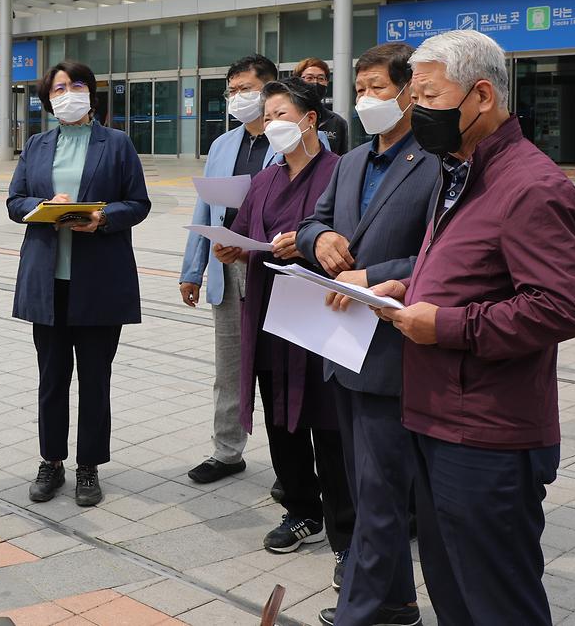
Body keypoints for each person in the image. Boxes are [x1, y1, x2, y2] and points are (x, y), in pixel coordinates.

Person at [372, 30, 575, 626]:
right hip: (435, 415)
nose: (416, 111)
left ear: (482, 95)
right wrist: (408, 289)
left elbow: (560, 308)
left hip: (488, 435)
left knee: (497, 600)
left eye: (430, 96)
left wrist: (444, 324)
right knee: (452, 590)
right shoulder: (458, 168)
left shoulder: (533, 185)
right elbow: (470, 267)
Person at [295, 43, 434, 626]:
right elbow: (312, 221)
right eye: (361, 89)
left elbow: (437, 253)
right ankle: (396, 601)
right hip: (341, 343)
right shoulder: (350, 161)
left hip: (392, 344)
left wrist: (372, 276)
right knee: (359, 480)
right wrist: (318, 239)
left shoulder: (436, 162)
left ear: (407, 91)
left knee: (380, 488)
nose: (367, 100)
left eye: (379, 87)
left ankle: (367, 607)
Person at [215, 78, 354, 560]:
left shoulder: (342, 172)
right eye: (268, 116)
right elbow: (240, 231)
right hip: (270, 314)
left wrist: (311, 242)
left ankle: (346, 532)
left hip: (320, 317)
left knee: (329, 427)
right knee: (281, 419)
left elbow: (353, 238)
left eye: (281, 115)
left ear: (310, 119)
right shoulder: (264, 180)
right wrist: (229, 246)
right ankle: (301, 510)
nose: (272, 124)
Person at [8, 60, 151, 507]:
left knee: (95, 379)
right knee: (51, 379)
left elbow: (138, 202)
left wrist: (104, 218)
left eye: (76, 85)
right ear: (47, 98)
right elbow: (15, 202)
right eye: (58, 88)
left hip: (99, 280)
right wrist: (45, 204)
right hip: (48, 281)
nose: (67, 93)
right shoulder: (35, 144)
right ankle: (51, 461)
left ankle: (88, 465)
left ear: (91, 92)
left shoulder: (118, 144)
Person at [179, 54, 279, 485]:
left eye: (246, 89)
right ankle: (226, 450)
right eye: (232, 91)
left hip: (275, 269)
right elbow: (206, 205)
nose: (237, 98)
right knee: (229, 368)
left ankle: (290, 463)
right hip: (226, 267)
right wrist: (192, 269)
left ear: (270, 88)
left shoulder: (297, 139)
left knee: (280, 370)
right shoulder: (222, 145)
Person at [296, 58, 349, 151]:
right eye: (309, 78)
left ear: (327, 82)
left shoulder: (337, 122)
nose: (315, 82)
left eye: (321, 78)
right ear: (298, 81)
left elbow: (342, 159)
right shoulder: (289, 117)